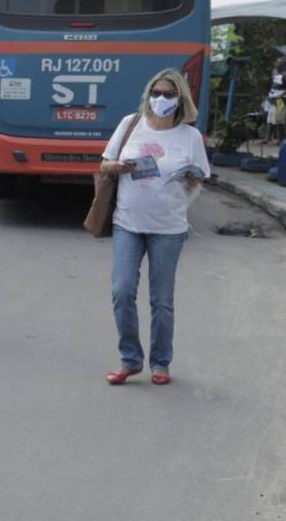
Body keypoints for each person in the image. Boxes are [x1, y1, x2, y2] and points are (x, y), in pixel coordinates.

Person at [98, 69, 210, 387]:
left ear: (181, 99)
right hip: (127, 223)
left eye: (169, 95)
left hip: (168, 227)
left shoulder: (189, 137)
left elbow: (201, 175)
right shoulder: (130, 124)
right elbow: (103, 163)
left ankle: (160, 362)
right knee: (121, 291)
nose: (161, 99)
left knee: (162, 300)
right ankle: (130, 359)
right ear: (148, 94)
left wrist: (191, 175)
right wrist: (119, 166)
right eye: (156, 92)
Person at [263, 57, 286, 144]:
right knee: (270, 118)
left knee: (279, 119)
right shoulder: (275, 72)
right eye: (276, 62)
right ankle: (267, 138)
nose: (276, 63)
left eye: (278, 62)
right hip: (273, 98)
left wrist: (283, 93)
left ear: (282, 65)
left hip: (281, 100)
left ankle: (279, 139)